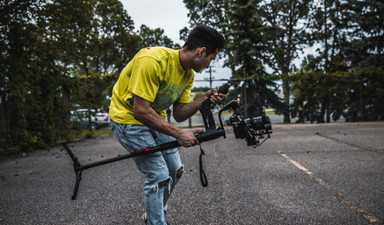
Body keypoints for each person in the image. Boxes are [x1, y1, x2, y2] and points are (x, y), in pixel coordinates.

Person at [108, 25, 225, 225]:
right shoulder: (153, 61)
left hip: (154, 118)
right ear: (201, 52)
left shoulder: (187, 74)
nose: (208, 65)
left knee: (175, 171)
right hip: (127, 119)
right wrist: (179, 135)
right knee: (159, 176)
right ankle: (156, 222)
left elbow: (179, 114)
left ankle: (155, 215)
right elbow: (140, 110)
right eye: (211, 59)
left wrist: (203, 98)